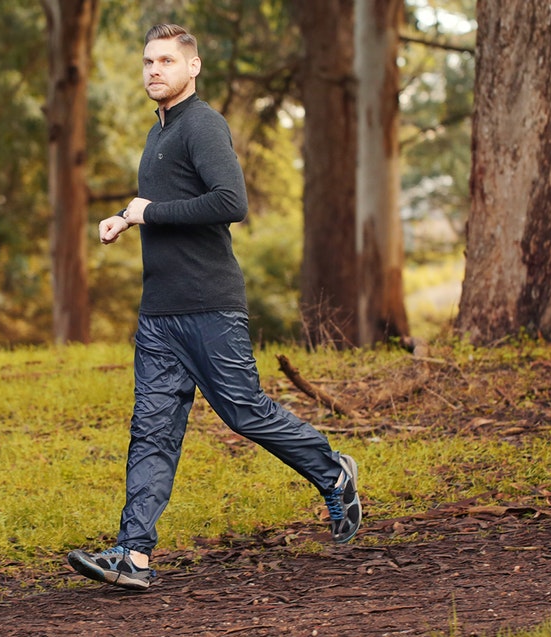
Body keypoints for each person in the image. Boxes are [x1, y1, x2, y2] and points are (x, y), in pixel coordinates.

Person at [67, 23, 361, 592]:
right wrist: (126, 218)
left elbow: (231, 202)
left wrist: (148, 213)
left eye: (167, 61)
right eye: (148, 61)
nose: (155, 70)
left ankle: (333, 472)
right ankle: (133, 554)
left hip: (209, 306)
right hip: (159, 313)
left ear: (192, 67)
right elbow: (165, 202)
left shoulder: (202, 124)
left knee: (244, 412)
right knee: (152, 430)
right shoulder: (157, 133)